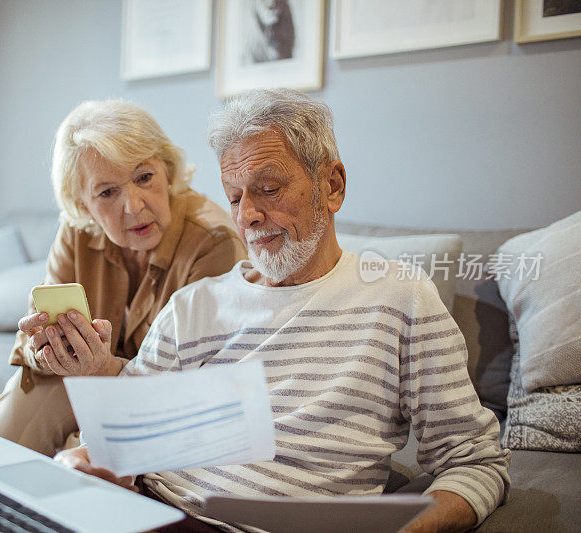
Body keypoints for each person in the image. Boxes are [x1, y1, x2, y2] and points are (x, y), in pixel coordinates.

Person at [55, 89, 511, 532]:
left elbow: (475, 462)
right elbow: (121, 443)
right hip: (151, 511)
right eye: (234, 197)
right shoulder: (193, 306)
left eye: (268, 189)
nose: (247, 214)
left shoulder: (400, 298)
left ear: (332, 186)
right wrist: (84, 462)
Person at [0, 100, 246, 456]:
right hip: (95, 388)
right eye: (107, 192)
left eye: (144, 178)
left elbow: (193, 391)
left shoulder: (213, 243)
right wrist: (43, 349)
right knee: (29, 397)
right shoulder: (77, 230)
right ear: (83, 205)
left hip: (167, 413)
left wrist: (102, 368)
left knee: (72, 454)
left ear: (167, 171)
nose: (134, 206)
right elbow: (34, 337)